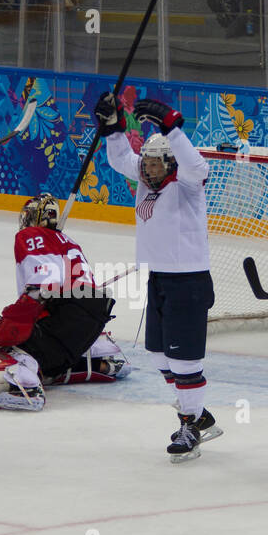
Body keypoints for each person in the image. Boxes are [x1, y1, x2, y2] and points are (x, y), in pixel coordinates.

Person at [94, 91, 223, 462]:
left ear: (170, 163)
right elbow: (121, 158)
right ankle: (199, 415)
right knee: (157, 354)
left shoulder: (187, 185)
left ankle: (189, 426)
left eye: (155, 164)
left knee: (184, 363)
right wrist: (114, 126)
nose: (147, 170)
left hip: (189, 282)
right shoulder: (145, 177)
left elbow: (198, 166)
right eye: (146, 164)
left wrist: (173, 127)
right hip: (159, 280)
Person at [0, 194, 130, 410]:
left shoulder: (30, 235)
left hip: (64, 313)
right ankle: (103, 361)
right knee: (52, 355)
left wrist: (15, 318)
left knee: (4, 348)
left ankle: (28, 391)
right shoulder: (68, 241)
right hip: (94, 316)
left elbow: (42, 285)